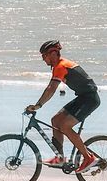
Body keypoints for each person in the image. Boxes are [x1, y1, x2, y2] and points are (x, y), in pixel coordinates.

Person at [25, 40, 100, 173]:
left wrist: (38, 105)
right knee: (56, 120)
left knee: (65, 126)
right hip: (83, 97)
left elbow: (51, 89)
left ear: (53, 53)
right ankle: (59, 158)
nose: (43, 59)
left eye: (44, 56)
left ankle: (88, 158)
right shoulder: (58, 66)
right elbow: (51, 88)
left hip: (90, 99)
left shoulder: (61, 66)